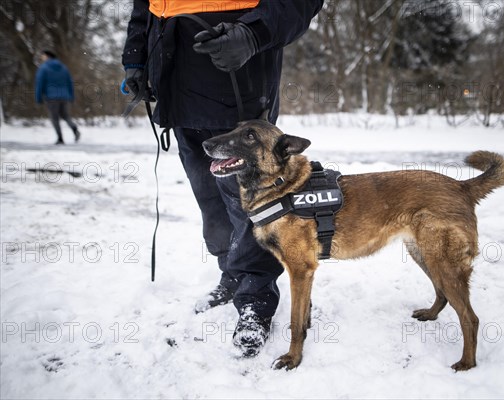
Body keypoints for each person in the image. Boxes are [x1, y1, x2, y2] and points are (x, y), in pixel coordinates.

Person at [122, 0, 323, 356]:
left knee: (251, 206)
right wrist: (136, 61)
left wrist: (253, 33)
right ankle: (230, 272)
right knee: (209, 197)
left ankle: (255, 300)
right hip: (174, 85)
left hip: (237, 81)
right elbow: (144, 9)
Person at [35, 50, 81, 145]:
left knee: (54, 118)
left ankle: (60, 138)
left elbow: (40, 84)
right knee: (66, 116)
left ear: (47, 56)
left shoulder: (44, 68)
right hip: (65, 96)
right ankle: (75, 129)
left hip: (51, 97)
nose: (42, 57)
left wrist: (38, 97)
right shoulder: (63, 67)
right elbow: (70, 82)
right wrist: (71, 96)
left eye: (43, 56)